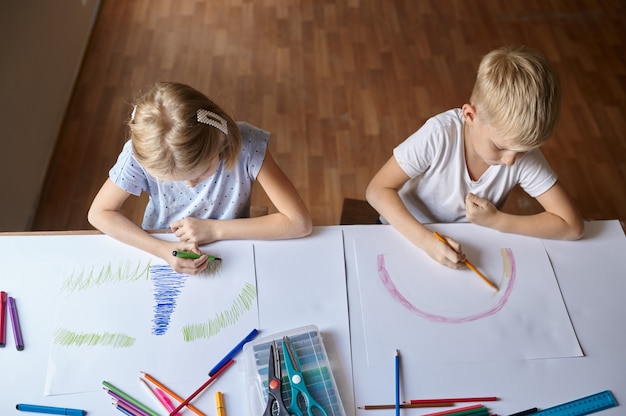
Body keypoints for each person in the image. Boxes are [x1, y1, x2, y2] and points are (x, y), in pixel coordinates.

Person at [366, 46, 584, 270]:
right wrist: (426, 242)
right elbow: (377, 190)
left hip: (465, 248)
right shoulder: (440, 134)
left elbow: (571, 225)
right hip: (402, 232)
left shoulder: (518, 151)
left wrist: (498, 221)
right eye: (500, 147)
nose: (511, 160)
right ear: (470, 116)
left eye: (523, 151)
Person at [88, 82, 312, 275]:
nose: (190, 185)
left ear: (219, 142)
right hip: (160, 250)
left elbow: (299, 223)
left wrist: (214, 230)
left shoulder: (248, 145)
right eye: (172, 180)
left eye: (201, 173)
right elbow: (99, 213)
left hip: (232, 247)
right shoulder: (142, 154)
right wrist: (163, 250)